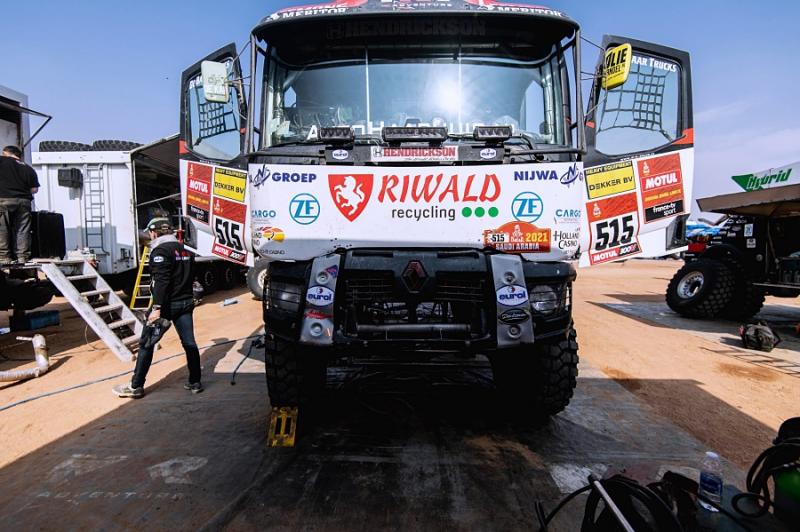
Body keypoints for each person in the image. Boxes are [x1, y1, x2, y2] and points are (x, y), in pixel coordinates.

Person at [113, 218, 202, 398]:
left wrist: (157, 308)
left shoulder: (160, 251)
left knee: (146, 344)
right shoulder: (185, 250)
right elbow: (191, 276)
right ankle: (195, 382)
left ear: (154, 232)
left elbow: (162, 281)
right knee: (189, 343)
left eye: (150, 233)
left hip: (167, 306)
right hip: (186, 303)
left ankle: (136, 386)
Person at [0, 145, 40, 264]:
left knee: (2, 228)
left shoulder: (2, 161)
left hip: (4, 200)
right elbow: (34, 189)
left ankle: (4, 257)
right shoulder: (28, 168)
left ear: (5, 153)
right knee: (23, 229)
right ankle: (22, 257)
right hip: (24, 202)